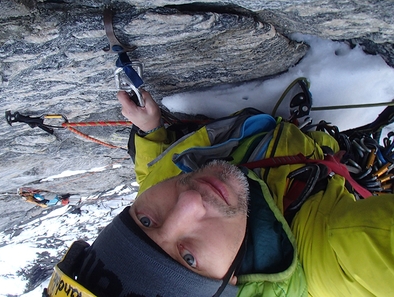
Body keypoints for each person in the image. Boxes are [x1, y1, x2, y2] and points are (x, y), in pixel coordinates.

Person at [45, 90, 394, 297]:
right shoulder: (331, 258)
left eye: (146, 221)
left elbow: (149, 177)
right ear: (231, 284)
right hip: (325, 159)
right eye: (189, 259)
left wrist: (150, 131)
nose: (189, 201)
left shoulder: (160, 194)